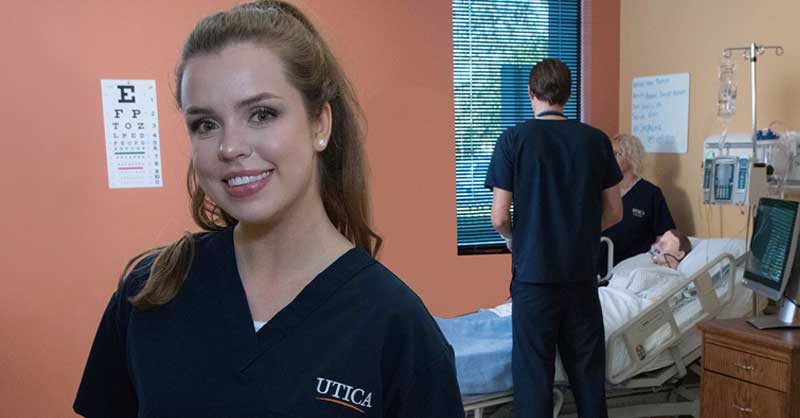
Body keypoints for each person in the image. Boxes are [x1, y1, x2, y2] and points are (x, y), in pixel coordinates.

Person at [73, 2, 464, 417]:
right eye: (205, 124)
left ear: (320, 125)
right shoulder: (149, 293)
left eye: (261, 114)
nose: (230, 147)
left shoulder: (392, 324)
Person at [485, 58, 623, 418]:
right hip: (580, 279)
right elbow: (614, 212)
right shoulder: (596, 141)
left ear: (531, 94)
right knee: (589, 381)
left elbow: (499, 217)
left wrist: (516, 240)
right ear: (568, 93)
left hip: (534, 281)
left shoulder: (513, 140)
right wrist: (579, 234)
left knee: (534, 382)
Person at [598, 133, 676, 276]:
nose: (610, 159)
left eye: (616, 154)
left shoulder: (650, 193)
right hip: (601, 267)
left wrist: (657, 262)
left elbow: (664, 235)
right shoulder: (601, 190)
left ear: (630, 156)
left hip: (634, 270)